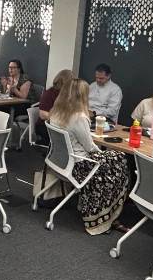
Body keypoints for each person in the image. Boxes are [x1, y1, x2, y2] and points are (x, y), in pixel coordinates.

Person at [46, 79, 130, 234]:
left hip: (60, 161)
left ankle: (92, 204)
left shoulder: (56, 111)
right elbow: (90, 148)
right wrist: (104, 152)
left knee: (114, 158)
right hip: (80, 165)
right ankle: (104, 215)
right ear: (82, 96)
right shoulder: (78, 116)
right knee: (120, 160)